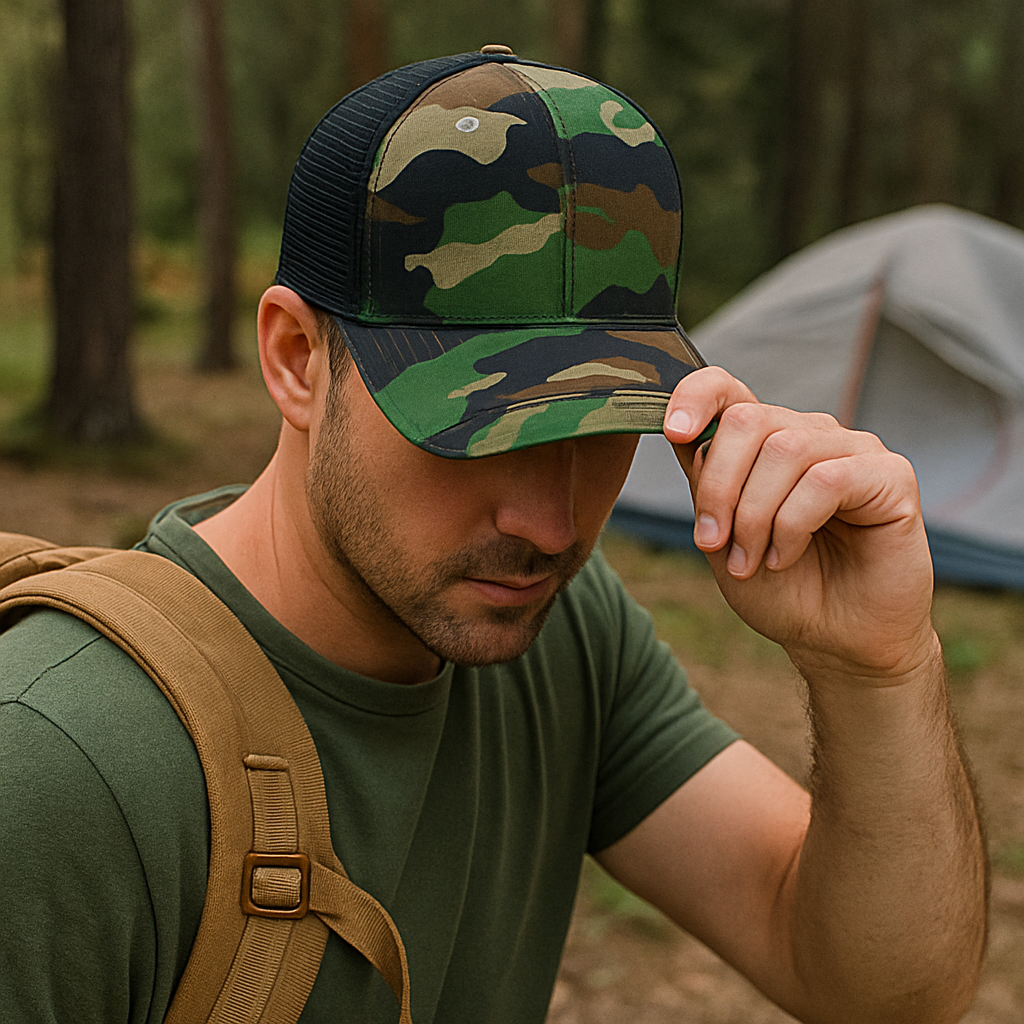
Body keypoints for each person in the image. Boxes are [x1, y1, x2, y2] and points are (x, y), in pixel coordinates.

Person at [0, 47, 985, 1024]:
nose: (550, 526)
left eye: (601, 425)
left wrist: (878, 669)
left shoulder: (564, 631)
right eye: (472, 429)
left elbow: (884, 993)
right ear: (298, 359)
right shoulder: (57, 768)